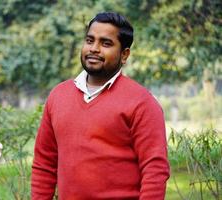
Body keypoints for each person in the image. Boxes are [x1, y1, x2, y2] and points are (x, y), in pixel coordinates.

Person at [31, 12, 170, 200]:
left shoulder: (142, 103)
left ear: (124, 54)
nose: (94, 49)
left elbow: (155, 170)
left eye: (106, 43)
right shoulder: (58, 95)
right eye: (90, 40)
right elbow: (44, 164)